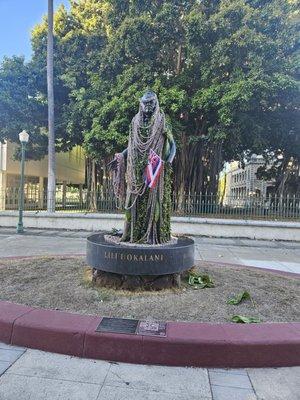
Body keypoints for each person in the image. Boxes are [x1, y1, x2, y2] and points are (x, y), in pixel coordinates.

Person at [108, 91, 176, 244]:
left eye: (151, 103)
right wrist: (121, 156)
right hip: (136, 170)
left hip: (154, 166)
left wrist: (168, 162)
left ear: (156, 102)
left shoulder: (162, 120)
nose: (147, 106)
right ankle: (129, 232)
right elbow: (132, 146)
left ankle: (152, 235)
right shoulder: (135, 122)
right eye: (145, 103)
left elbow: (173, 145)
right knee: (131, 203)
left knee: (154, 202)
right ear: (141, 103)